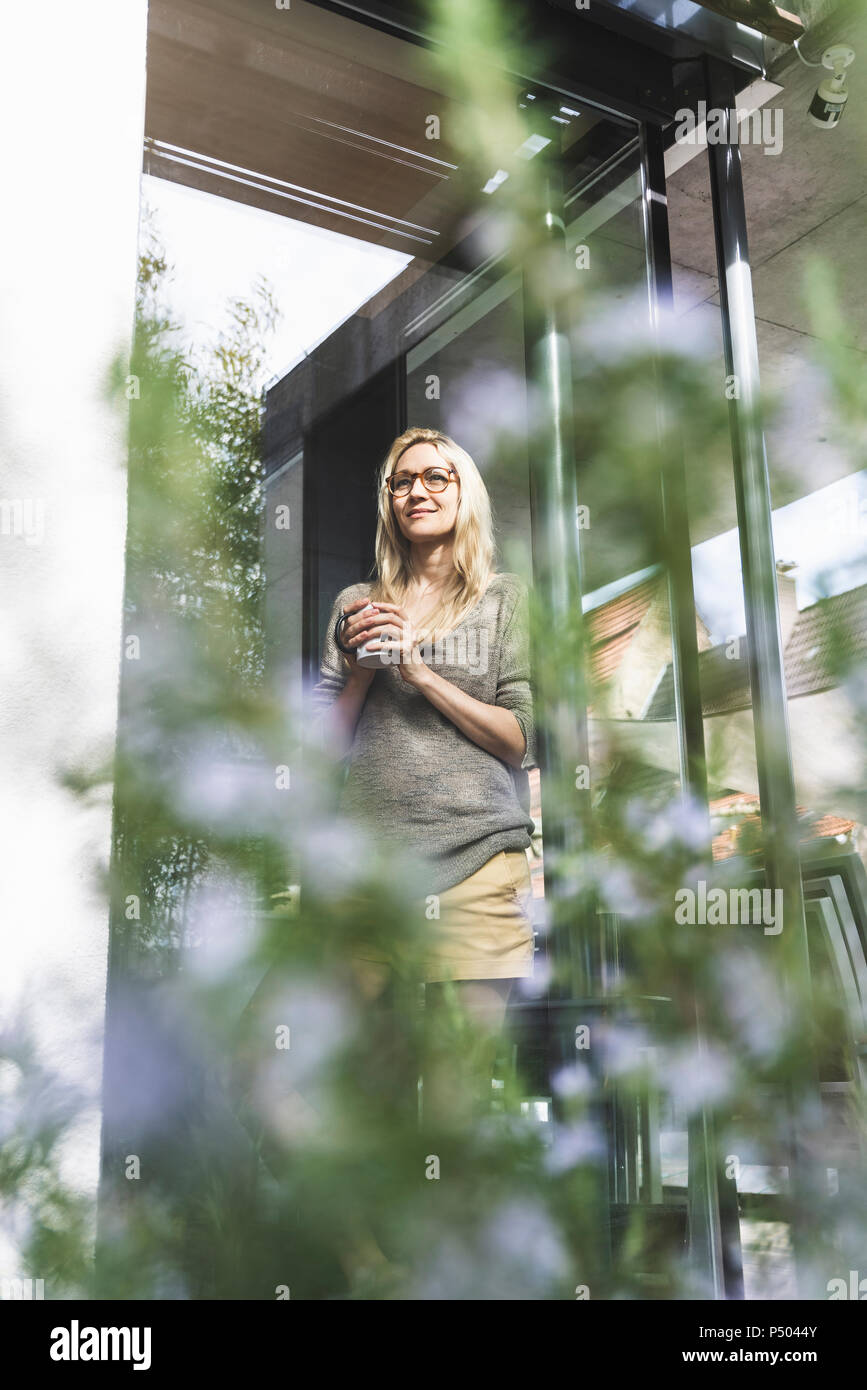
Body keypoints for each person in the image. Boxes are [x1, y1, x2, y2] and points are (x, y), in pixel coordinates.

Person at [310, 425, 539, 1129]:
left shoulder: (503, 599)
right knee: (356, 1098)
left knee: (457, 1104)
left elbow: (518, 738)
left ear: (463, 492)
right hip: (369, 878)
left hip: (475, 865)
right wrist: (358, 671)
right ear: (389, 501)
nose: (417, 491)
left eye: (436, 476)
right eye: (402, 480)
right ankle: (365, 1242)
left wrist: (416, 670)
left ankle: (455, 1239)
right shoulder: (357, 604)